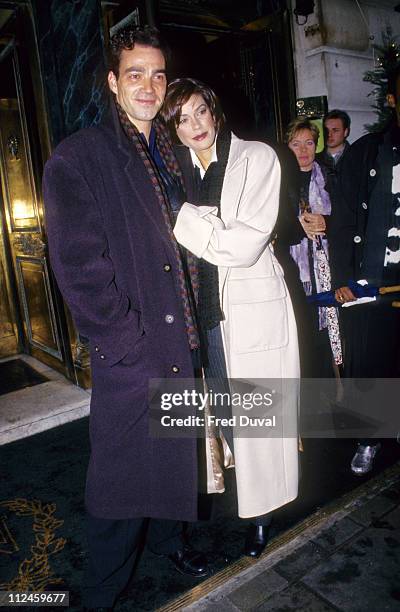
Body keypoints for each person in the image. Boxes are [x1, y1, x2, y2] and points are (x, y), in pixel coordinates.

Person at [43, 27, 208, 611]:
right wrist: (123, 337)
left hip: (181, 337)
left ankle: (171, 540)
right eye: (135, 73)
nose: (149, 85)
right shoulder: (81, 155)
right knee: (120, 476)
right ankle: (101, 591)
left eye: (158, 74)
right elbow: (79, 264)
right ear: (113, 83)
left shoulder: (172, 153)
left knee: (175, 452)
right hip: (135, 346)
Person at [160, 78, 300, 558]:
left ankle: (262, 513)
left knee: (257, 419)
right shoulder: (174, 172)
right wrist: (205, 221)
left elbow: (242, 245)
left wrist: (182, 216)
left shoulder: (256, 157)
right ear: (172, 128)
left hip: (246, 311)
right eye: (181, 118)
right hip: (197, 314)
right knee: (219, 414)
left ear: (214, 111)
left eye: (200, 111)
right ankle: (239, 493)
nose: (194, 125)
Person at [330, 64, 400, 475]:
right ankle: (369, 437)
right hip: (373, 283)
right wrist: (342, 279)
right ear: (391, 98)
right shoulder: (367, 151)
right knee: (370, 364)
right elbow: (341, 221)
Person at [286, 117, 342, 377]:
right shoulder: (279, 181)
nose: (303, 150)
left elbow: (349, 218)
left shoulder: (330, 177)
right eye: (296, 144)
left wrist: (326, 222)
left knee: (329, 339)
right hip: (293, 274)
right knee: (300, 338)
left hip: (328, 271)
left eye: (309, 142)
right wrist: (297, 226)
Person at [316, 109, 351, 192]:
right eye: (326, 130)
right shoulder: (315, 159)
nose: (329, 134)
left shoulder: (356, 158)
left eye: (335, 130)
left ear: (346, 132)